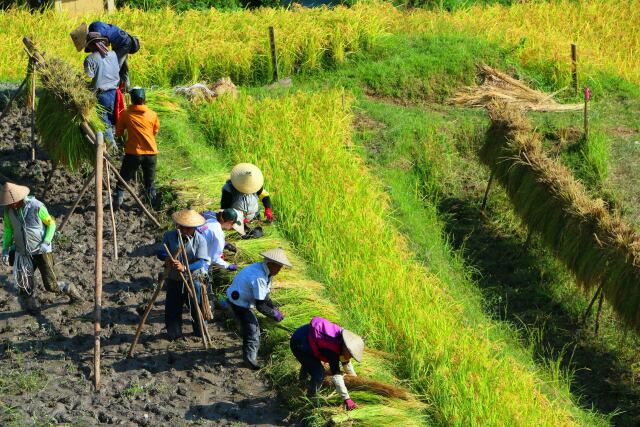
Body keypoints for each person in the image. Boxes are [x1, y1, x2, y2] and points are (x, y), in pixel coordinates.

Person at [0, 183, 82, 312]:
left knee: (51, 285)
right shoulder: (8, 211)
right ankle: (32, 309)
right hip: (22, 251)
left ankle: (70, 289)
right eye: (9, 203)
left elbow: (51, 224)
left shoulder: (36, 206)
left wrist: (46, 241)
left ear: (20, 198)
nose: (12, 205)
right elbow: (9, 230)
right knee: (24, 286)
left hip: (41, 250)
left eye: (14, 202)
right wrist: (5, 250)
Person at [226, 248, 290, 369]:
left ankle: (248, 353)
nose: (279, 270)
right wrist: (274, 314)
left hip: (241, 300)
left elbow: (264, 296)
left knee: (250, 328)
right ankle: (250, 360)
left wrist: (273, 307)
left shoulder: (265, 271)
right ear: (270, 263)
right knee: (253, 331)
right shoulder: (259, 276)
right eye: (278, 267)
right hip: (238, 303)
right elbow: (260, 306)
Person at [290, 317, 364, 411]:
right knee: (319, 373)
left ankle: (301, 382)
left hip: (307, 337)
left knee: (310, 363)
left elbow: (346, 363)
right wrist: (347, 399)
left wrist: (355, 379)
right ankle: (310, 398)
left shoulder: (342, 341)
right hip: (299, 343)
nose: (351, 357)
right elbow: (336, 375)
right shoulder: (332, 350)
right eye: (351, 355)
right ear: (347, 349)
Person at [157, 209, 210, 340]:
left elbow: (201, 262)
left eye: (189, 229)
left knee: (196, 306)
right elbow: (160, 252)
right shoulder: (169, 236)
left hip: (193, 279)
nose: (185, 231)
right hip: (174, 278)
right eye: (182, 228)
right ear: (178, 226)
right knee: (173, 307)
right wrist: (167, 258)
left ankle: (200, 331)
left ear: (194, 229)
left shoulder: (200, 240)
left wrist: (185, 267)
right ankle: (174, 333)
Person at [113, 87, 160, 210]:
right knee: (150, 182)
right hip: (151, 153)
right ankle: (152, 205)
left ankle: (117, 201)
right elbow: (155, 131)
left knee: (123, 179)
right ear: (144, 100)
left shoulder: (125, 114)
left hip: (133, 153)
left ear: (132, 100)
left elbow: (118, 132)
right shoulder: (153, 114)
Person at [71, 22, 140, 91]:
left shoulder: (95, 34)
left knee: (114, 67)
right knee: (123, 68)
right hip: (125, 41)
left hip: (123, 44)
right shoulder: (94, 27)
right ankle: (126, 88)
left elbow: (103, 51)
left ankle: (114, 89)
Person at [83, 32, 120, 146]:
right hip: (115, 93)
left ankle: (111, 146)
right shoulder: (113, 54)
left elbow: (88, 77)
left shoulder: (90, 59)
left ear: (91, 45)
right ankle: (120, 141)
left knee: (104, 121)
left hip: (102, 95)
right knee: (114, 119)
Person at [197, 209, 244, 290]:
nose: (232, 227)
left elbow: (208, 238)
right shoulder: (218, 233)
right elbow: (215, 259)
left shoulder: (210, 221)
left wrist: (225, 244)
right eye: (232, 224)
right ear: (229, 221)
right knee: (203, 293)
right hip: (200, 266)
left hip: (191, 256)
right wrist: (229, 266)